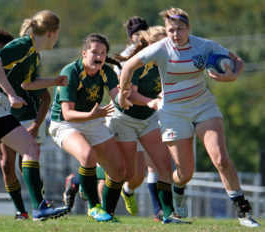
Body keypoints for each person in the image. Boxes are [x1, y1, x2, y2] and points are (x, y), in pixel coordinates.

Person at [117, 7, 260, 228]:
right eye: (171, 30)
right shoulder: (160, 49)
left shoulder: (204, 45)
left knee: (221, 159)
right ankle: (179, 189)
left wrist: (233, 75)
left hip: (204, 106)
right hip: (173, 113)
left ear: (188, 28)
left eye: (180, 29)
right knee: (184, 174)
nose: (175, 34)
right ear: (166, 31)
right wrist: (123, 94)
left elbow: (237, 60)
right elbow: (128, 66)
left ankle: (243, 213)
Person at [0, 10, 68, 222]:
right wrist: (11, 95)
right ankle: (39, 207)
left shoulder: (32, 54)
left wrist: (54, 81)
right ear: (52, 32)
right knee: (30, 147)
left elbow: (27, 84)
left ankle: (35, 208)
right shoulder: (24, 44)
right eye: (58, 33)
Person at [110, 25, 189, 224]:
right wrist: (151, 102)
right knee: (127, 173)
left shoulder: (169, 62)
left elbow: (167, 88)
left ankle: (168, 214)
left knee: (163, 165)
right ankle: (85, 187)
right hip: (124, 119)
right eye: (164, 44)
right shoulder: (139, 62)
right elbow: (131, 94)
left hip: (148, 120)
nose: (169, 47)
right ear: (153, 45)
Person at [49, 33, 127, 222]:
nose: (98, 56)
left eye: (103, 52)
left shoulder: (106, 72)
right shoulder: (71, 72)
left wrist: (124, 98)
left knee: (119, 170)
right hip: (65, 124)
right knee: (87, 155)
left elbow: (117, 97)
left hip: (93, 121)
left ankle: (106, 215)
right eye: (94, 52)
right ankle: (93, 207)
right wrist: (92, 115)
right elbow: (67, 113)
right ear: (84, 53)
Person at [114, 16, 166, 221]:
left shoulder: (162, 55)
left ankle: (159, 210)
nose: (139, 38)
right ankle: (78, 183)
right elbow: (121, 91)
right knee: (128, 172)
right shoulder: (129, 58)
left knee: (156, 163)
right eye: (135, 35)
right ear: (130, 38)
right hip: (125, 116)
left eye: (142, 34)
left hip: (149, 115)